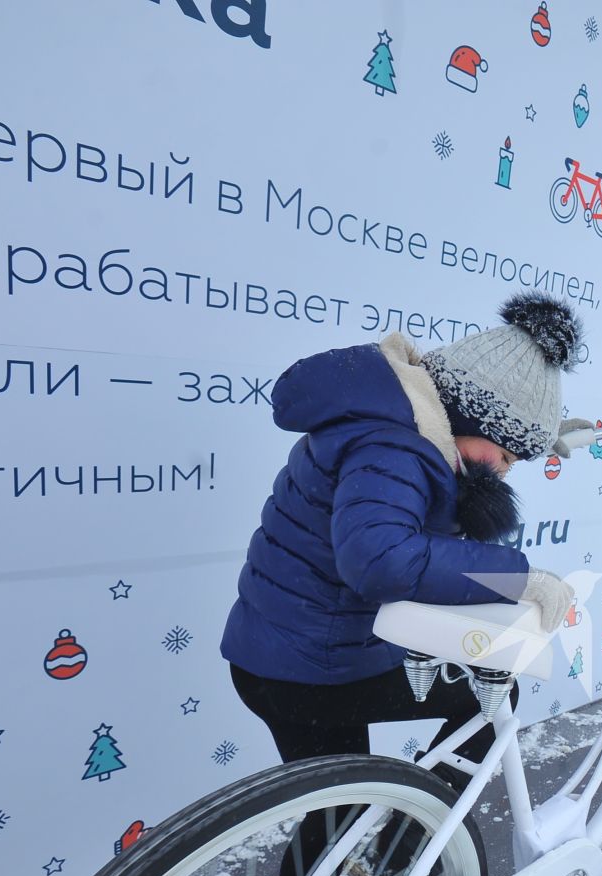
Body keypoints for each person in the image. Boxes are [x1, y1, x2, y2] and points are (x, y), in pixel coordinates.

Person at [220, 292, 580, 787]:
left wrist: (540, 432)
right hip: (307, 670)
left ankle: (395, 851)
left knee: (333, 819)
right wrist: (518, 578)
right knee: (490, 699)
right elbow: (381, 559)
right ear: (471, 420)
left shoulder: (402, 425)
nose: (503, 472)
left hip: (289, 652)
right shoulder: (393, 448)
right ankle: (416, 845)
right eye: (508, 455)